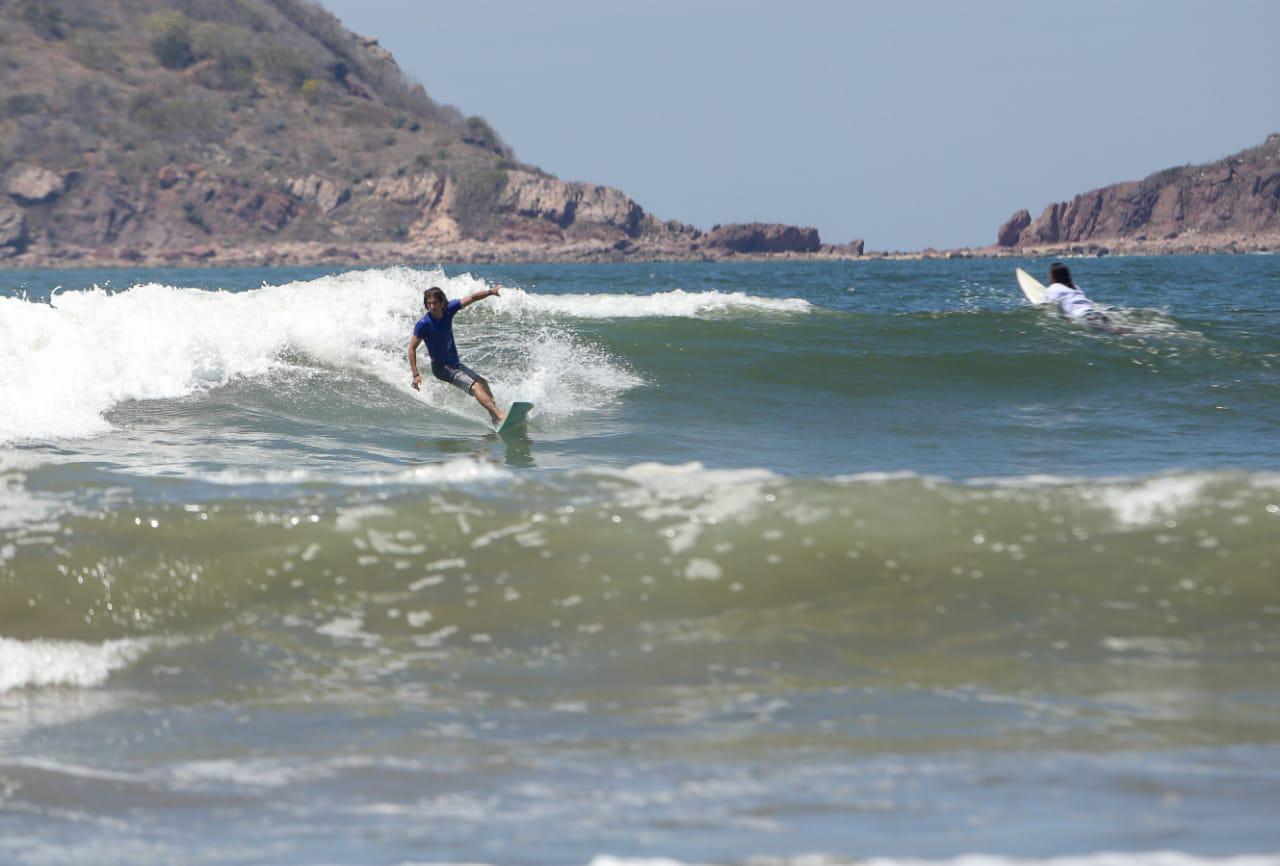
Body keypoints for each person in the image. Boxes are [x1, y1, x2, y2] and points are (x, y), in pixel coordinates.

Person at [408, 285, 506, 426]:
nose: (432, 306)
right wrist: (415, 374)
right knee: (476, 387)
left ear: (442, 302)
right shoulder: (423, 324)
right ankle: (500, 415)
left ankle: (495, 417)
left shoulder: (449, 310)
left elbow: (471, 298)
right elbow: (411, 348)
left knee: (483, 383)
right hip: (442, 368)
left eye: (435, 302)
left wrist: (490, 292)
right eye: (428, 303)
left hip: (454, 363)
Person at [1043, 262, 1129, 333]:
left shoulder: (1053, 288)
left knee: (1115, 332)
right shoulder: (1075, 287)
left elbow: (1050, 307)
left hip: (1085, 318)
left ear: (1053, 276)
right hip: (1097, 314)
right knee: (1116, 330)